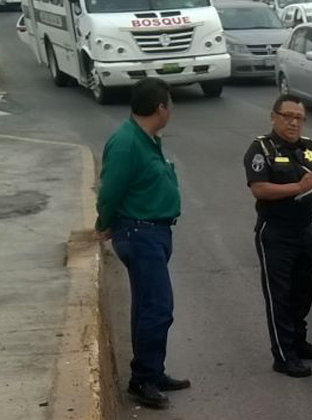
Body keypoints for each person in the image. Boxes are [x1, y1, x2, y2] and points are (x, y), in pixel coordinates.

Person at [95, 78, 189, 409]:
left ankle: (152, 371)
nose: (171, 110)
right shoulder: (127, 143)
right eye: (170, 104)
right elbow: (110, 190)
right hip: (140, 233)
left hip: (153, 233)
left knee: (147, 306)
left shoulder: (147, 139)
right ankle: (143, 380)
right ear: (160, 108)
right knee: (158, 308)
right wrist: (104, 223)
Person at [244, 94, 312, 378]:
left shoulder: (310, 149)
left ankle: (299, 343)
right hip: (276, 232)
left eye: (299, 118)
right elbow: (260, 189)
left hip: (306, 229)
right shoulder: (261, 149)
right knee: (280, 297)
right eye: (287, 116)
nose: (293, 122)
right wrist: (298, 188)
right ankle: (284, 355)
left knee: (303, 292)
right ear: (274, 117)